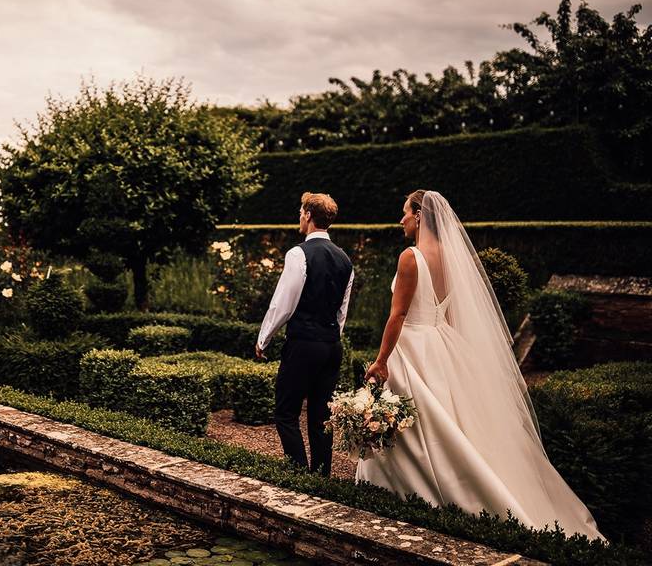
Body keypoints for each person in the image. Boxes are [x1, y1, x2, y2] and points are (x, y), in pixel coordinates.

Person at [357, 190, 604, 540]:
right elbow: (454, 315)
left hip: (412, 345)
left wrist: (381, 361)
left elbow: (397, 315)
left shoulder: (410, 257)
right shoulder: (451, 258)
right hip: (441, 343)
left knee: (414, 419)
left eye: (405, 214)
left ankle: (407, 491)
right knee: (448, 420)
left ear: (419, 215)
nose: (401, 221)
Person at [256, 192, 354, 476]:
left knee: (285, 412)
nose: (299, 217)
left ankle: (299, 474)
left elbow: (283, 303)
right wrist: (329, 337)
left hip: (303, 344)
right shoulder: (345, 260)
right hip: (331, 345)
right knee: (321, 416)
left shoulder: (298, 253)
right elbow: (341, 313)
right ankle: (321, 477)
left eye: (301, 212)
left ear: (309, 216)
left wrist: (264, 338)